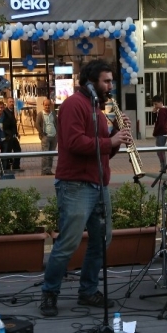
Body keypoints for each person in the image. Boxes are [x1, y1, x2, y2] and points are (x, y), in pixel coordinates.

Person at [39, 60, 132, 317]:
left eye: (111, 81)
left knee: (101, 241)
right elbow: (74, 143)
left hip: (97, 184)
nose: (110, 86)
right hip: (75, 185)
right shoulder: (72, 105)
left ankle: (88, 290)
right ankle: (49, 292)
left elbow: (102, 154)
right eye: (106, 81)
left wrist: (117, 136)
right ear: (90, 83)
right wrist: (109, 139)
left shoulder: (97, 110)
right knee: (68, 243)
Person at [0, 101, 23, 173]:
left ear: (4, 108)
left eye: (1, 108)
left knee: (5, 156)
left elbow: (13, 126)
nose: (0, 109)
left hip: (6, 139)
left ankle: (5, 171)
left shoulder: (8, 116)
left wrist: (12, 135)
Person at [35, 98, 58, 175]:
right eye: (46, 105)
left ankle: (49, 170)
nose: (47, 107)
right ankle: (44, 170)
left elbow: (57, 123)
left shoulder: (53, 113)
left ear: (51, 105)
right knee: (45, 155)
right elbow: (37, 124)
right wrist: (41, 133)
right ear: (43, 105)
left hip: (54, 137)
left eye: (49, 105)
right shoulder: (40, 114)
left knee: (51, 155)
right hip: (46, 137)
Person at [151, 95, 167, 171]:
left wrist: (156, 132)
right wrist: (154, 113)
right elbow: (155, 121)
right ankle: (163, 165)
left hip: (161, 133)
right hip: (162, 133)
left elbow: (160, 123)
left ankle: (163, 166)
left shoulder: (162, 111)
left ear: (160, 103)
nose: (155, 106)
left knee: (160, 151)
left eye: (156, 104)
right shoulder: (160, 111)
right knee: (160, 151)